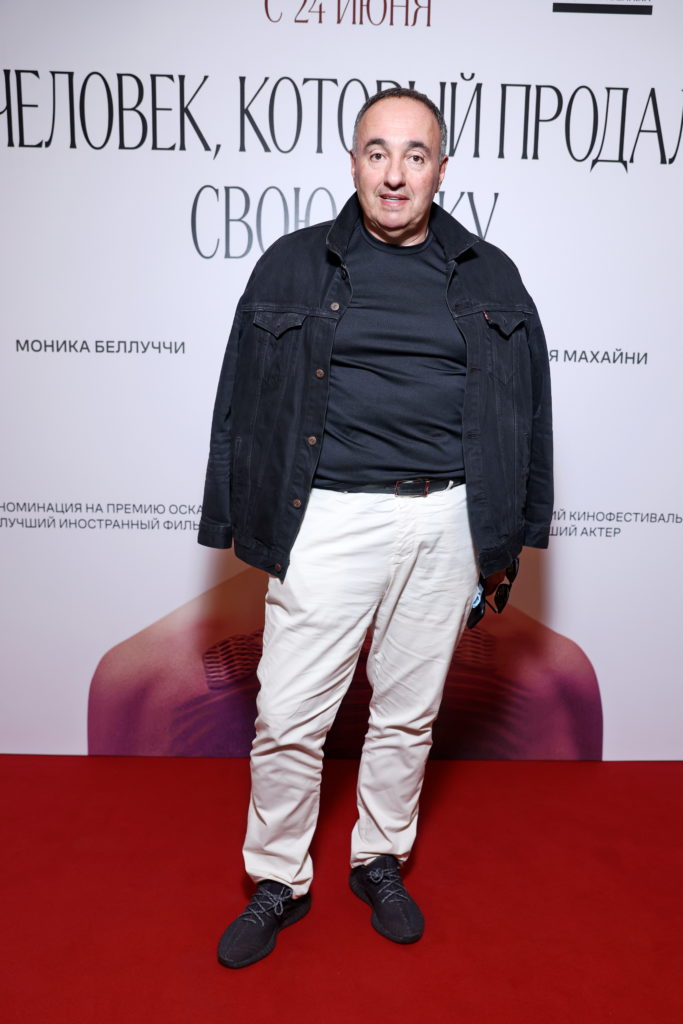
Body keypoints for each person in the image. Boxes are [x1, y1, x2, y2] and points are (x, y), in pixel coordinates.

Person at [198, 87, 553, 968]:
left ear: (441, 168)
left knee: (407, 713)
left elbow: (528, 412)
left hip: (447, 517)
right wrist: (232, 518)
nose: (395, 174)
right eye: (377, 152)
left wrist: (507, 537)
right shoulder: (290, 266)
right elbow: (239, 402)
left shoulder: (492, 275)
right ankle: (277, 877)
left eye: (414, 155)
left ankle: (378, 858)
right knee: (287, 715)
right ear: (353, 162)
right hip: (326, 514)